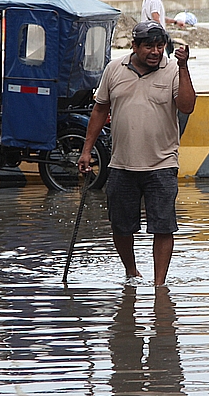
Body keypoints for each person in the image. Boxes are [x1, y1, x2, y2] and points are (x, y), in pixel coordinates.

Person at [78, 21, 196, 285]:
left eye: (159, 46)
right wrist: (87, 151)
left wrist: (184, 66)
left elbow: (187, 107)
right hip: (121, 163)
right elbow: (100, 110)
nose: (155, 52)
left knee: (163, 226)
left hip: (162, 163)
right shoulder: (114, 69)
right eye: (148, 46)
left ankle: (158, 284)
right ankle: (131, 272)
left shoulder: (172, 71)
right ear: (134, 46)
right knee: (121, 226)